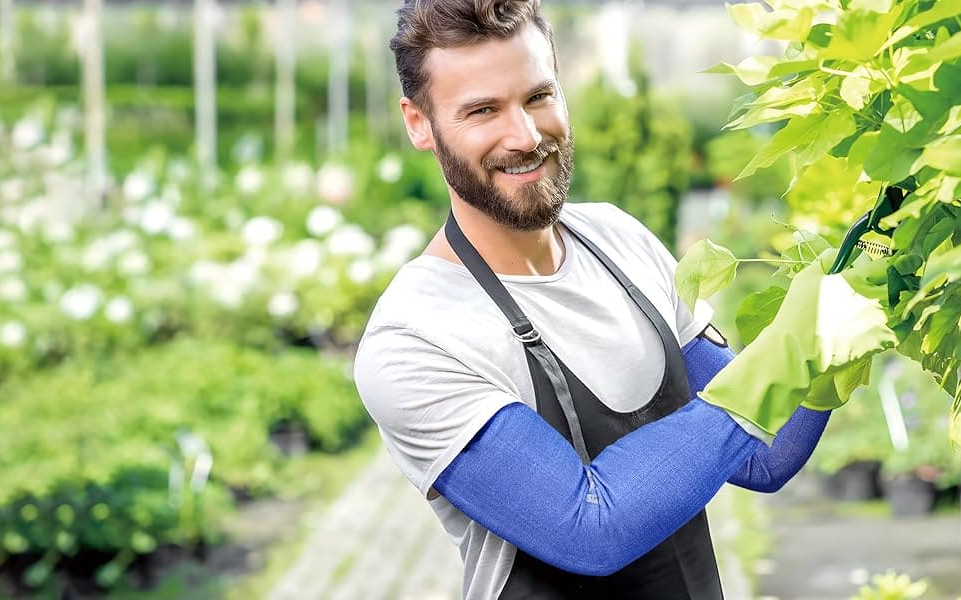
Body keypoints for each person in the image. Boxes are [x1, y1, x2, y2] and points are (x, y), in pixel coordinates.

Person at [353, 0, 868, 597]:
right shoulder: (415, 340)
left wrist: (843, 317)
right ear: (419, 122)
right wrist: (786, 348)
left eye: (538, 97)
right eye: (483, 110)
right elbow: (589, 528)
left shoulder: (619, 241)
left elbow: (763, 456)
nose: (524, 135)